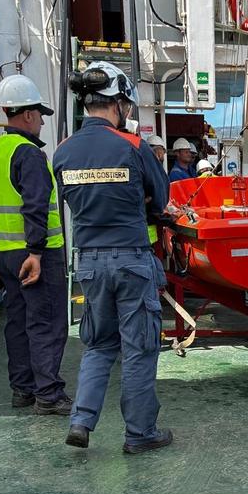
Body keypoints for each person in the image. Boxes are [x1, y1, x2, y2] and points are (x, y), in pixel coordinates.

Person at [53, 61, 172, 455]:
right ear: (119, 103)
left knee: (99, 345)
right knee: (138, 348)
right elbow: (163, 197)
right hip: (131, 260)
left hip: (87, 261)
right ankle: (140, 434)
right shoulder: (134, 147)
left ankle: (81, 422)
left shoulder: (63, 153)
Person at [0, 74, 71, 414]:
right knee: (46, 321)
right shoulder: (28, 153)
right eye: (41, 115)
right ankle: (49, 394)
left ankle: (23, 390)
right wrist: (35, 252)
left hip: (4, 254)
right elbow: (34, 206)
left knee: (17, 323)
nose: (43, 122)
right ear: (28, 114)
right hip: (37, 256)